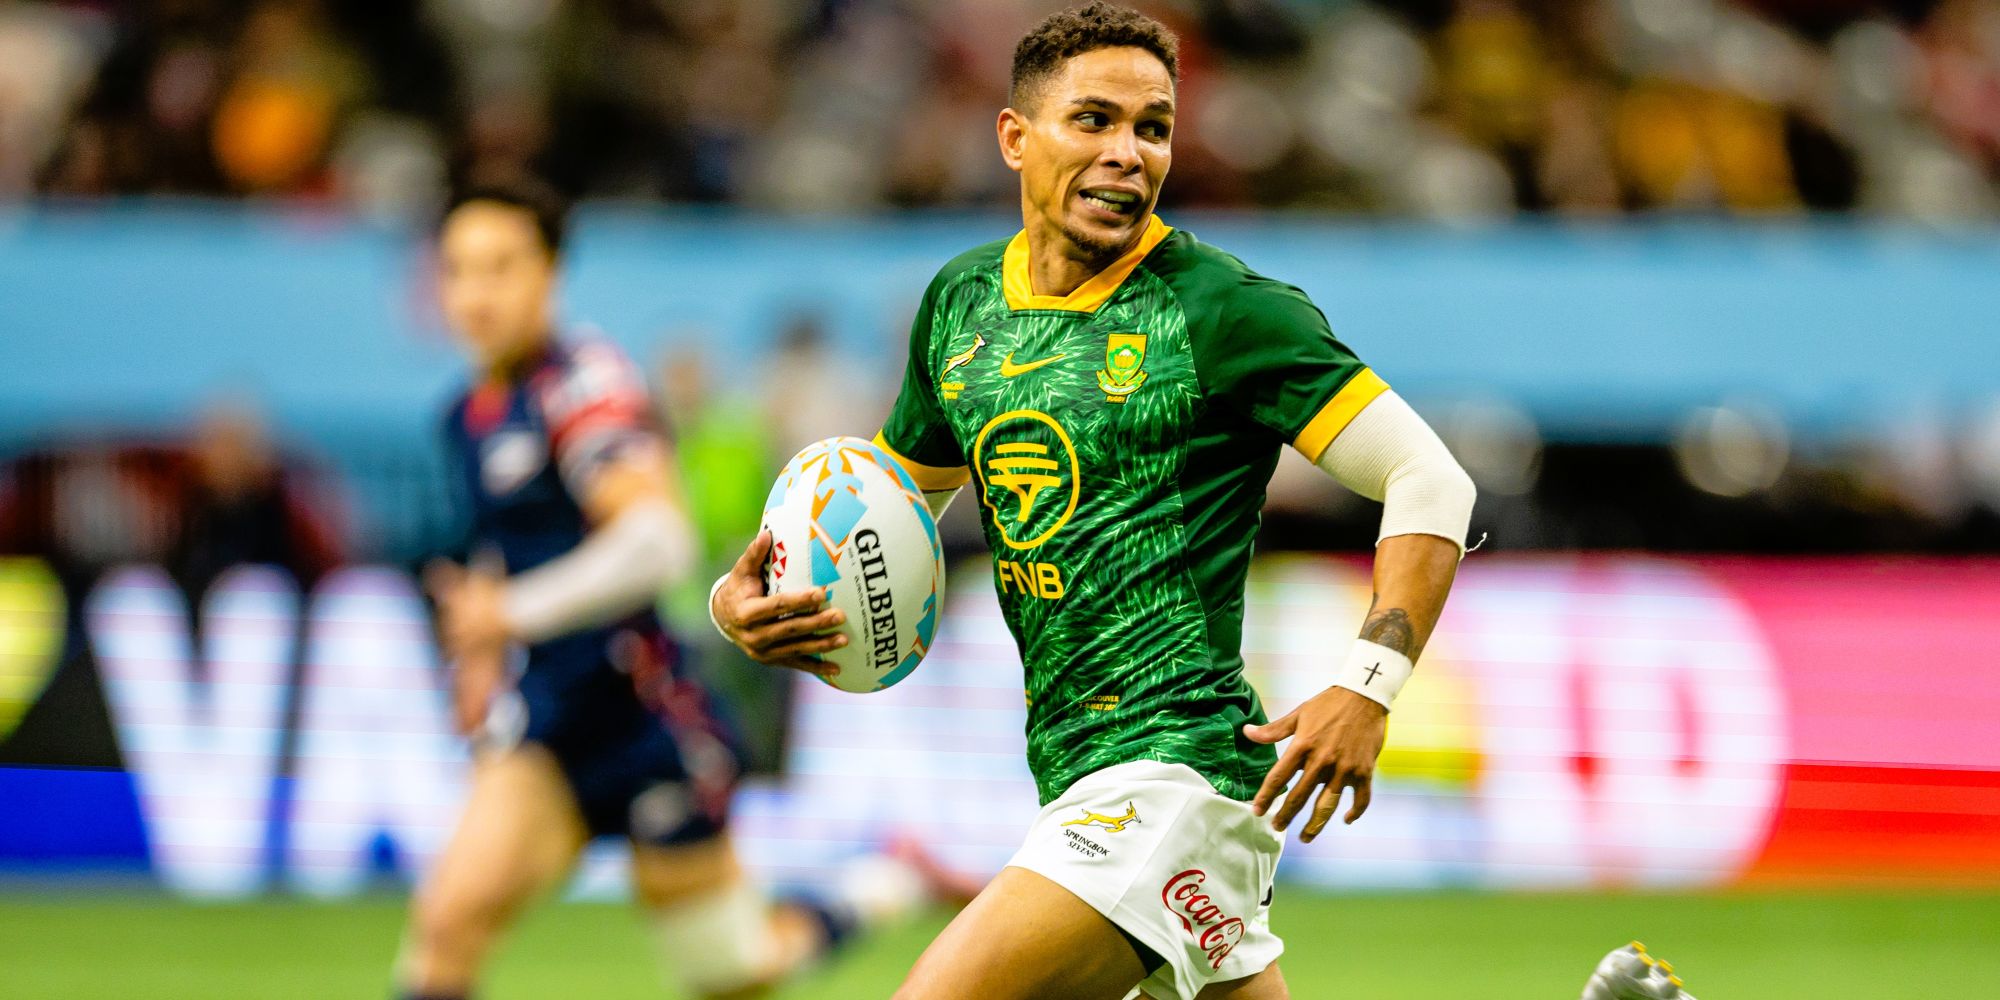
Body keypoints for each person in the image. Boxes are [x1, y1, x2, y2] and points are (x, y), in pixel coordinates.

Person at [708, 6, 1695, 1000]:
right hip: (1078, 771)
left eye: (1153, 127)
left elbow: (1429, 479)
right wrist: (757, 602)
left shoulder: (1220, 310)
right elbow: (889, 513)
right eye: (1092, 120)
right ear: (1014, 137)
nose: (1127, 152)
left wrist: (1366, 686)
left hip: (1173, 774)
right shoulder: (962, 304)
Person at [400, 181, 836, 1000]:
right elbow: (506, 552)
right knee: (448, 921)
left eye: (501, 267)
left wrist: (510, 613)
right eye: (459, 270)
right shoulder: (467, 415)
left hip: (645, 717)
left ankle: (866, 895)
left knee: (732, 973)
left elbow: (657, 543)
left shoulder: (579, 385)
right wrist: (483, 650)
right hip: (550, 719)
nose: (477, 293)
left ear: (551, 273)